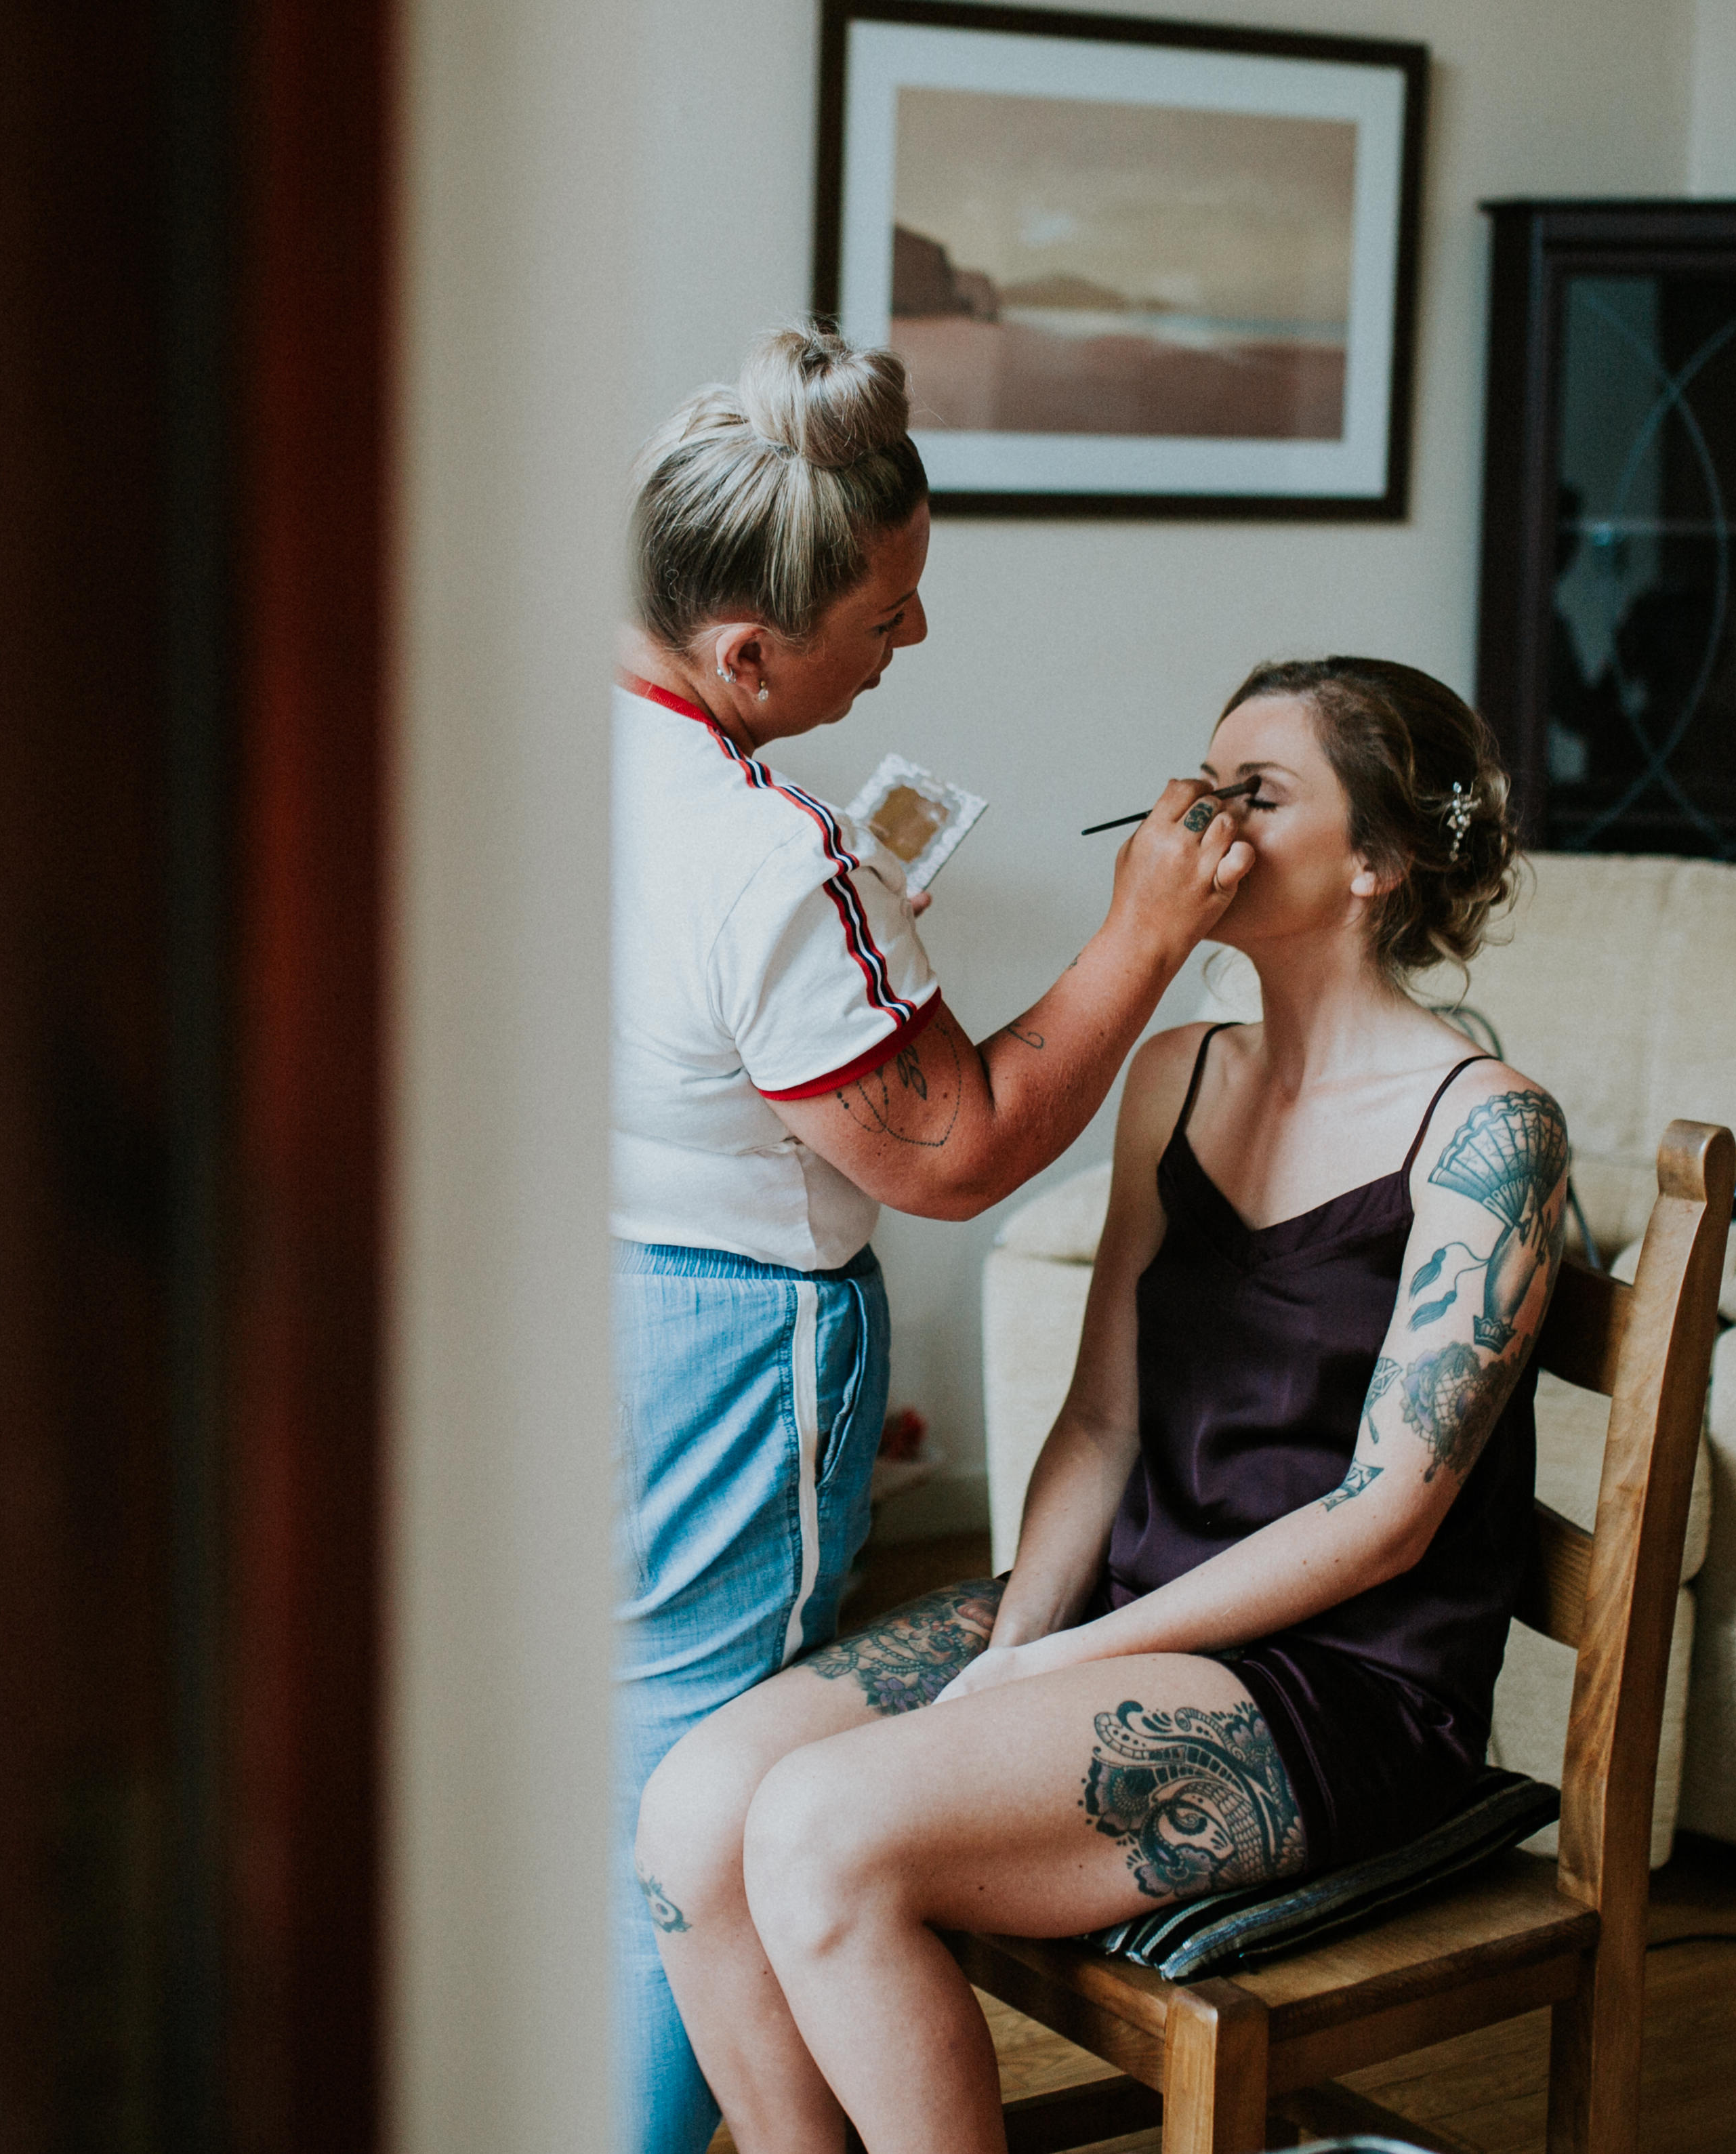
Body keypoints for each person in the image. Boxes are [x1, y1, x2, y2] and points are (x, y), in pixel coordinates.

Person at [632, 657, 1569, 2154]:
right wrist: (1019, 1641)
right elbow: (1099, 1428)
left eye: (1253, 796)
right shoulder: (1174, 1075)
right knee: (694, 1807)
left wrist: (1064, 1664)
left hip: (1340, 1680)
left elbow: (1385, 1521)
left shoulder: (1489, 1128)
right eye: (1197, 781)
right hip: (1136, 1601)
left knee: (821, 1833)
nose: (1193, 818)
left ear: (1376, 865)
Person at [611, 325, 1255, 2154]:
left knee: (623, 1768)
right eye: (885, 612)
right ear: (750, 650)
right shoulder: (760, 860)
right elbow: (952, 1155)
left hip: (590, 1303)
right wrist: (1141, 933)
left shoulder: (566, 760)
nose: (913, 639)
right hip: (725, 1344)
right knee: (678, 1807)